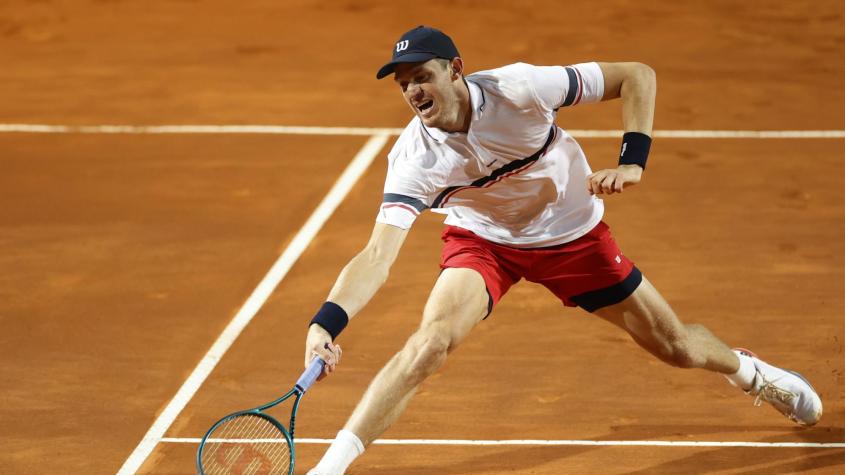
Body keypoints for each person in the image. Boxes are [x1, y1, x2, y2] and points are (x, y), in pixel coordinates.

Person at [303, 26, 823, 475]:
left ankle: (749, 372)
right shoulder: (413, 160)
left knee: (677, 347)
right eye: (403, 84)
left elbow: (636, 74)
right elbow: (376, 256)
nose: (413, 90)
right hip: (487, 242)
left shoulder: (522, 87)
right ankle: (331, 465)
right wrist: (325, 323)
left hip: (572, 237)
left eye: (422, 76)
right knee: (429, 343)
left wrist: (633, 161)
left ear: (456, 70)